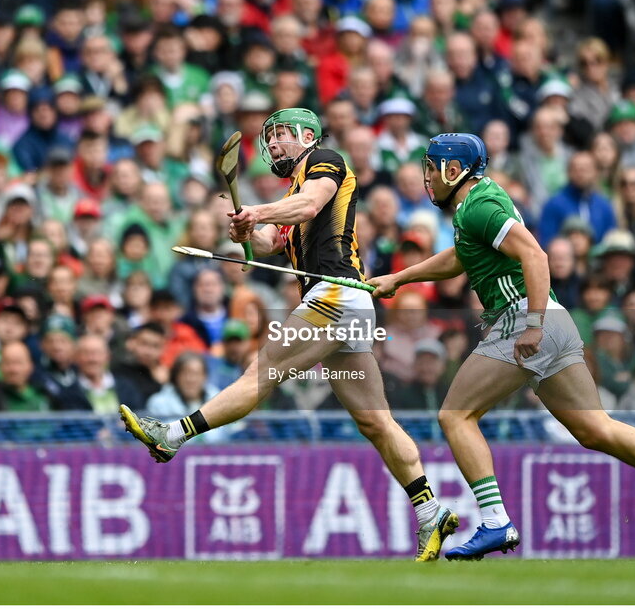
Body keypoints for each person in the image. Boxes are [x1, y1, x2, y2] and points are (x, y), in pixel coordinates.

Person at [367, 133, 635, 559]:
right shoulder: (475, 206)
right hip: (554, 320)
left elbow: (536, 256)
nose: (427, 175)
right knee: (596, 429)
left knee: (455, 415)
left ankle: (496, 521)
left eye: (431, 166)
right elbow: (461, 257)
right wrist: (399, 278)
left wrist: (532, 324)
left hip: (524, 318)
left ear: (453, 169)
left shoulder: (479, 206)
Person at [119, 107, 458, 561]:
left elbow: (311, 205)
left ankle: (175, 434)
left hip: (334, 296)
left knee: (261, 372)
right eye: (270, 137)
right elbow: (270, 243)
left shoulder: (326, 162)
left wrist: (257, 210)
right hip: (349, 306)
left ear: (306, 136)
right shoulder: (292, 191)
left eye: (280, 135)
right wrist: (246, 225)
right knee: (375, 421)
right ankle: (430, 511)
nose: (273, 145)